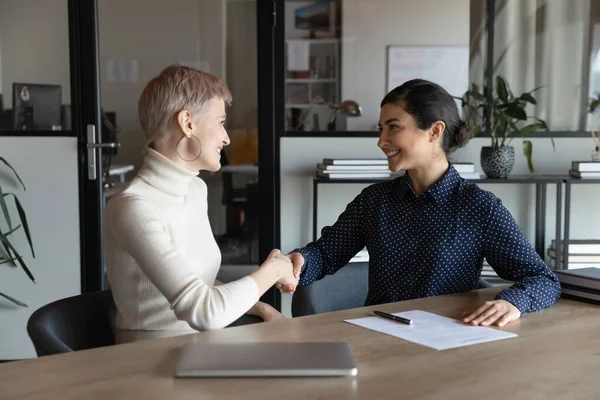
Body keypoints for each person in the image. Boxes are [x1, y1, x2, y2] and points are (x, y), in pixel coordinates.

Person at [279, 79, 561, 327]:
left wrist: (511, 303)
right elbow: (325, 254)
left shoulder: (479, 207)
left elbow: (543, 279)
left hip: (449, 346)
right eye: (381, 129)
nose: (381, 141)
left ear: (435, 131)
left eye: (393, 128)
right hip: (378, 341)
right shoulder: (374, 201)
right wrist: (296, 262)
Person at [104, 65, 297, 344]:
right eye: (220, 122)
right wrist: (272, 272)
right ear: (188, 123)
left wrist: (262, 308)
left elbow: (196, 285)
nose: (226, 137)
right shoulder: (133, 207)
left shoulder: (195, 189)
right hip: (147, 360)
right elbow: (204, 311)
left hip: (202, 345)